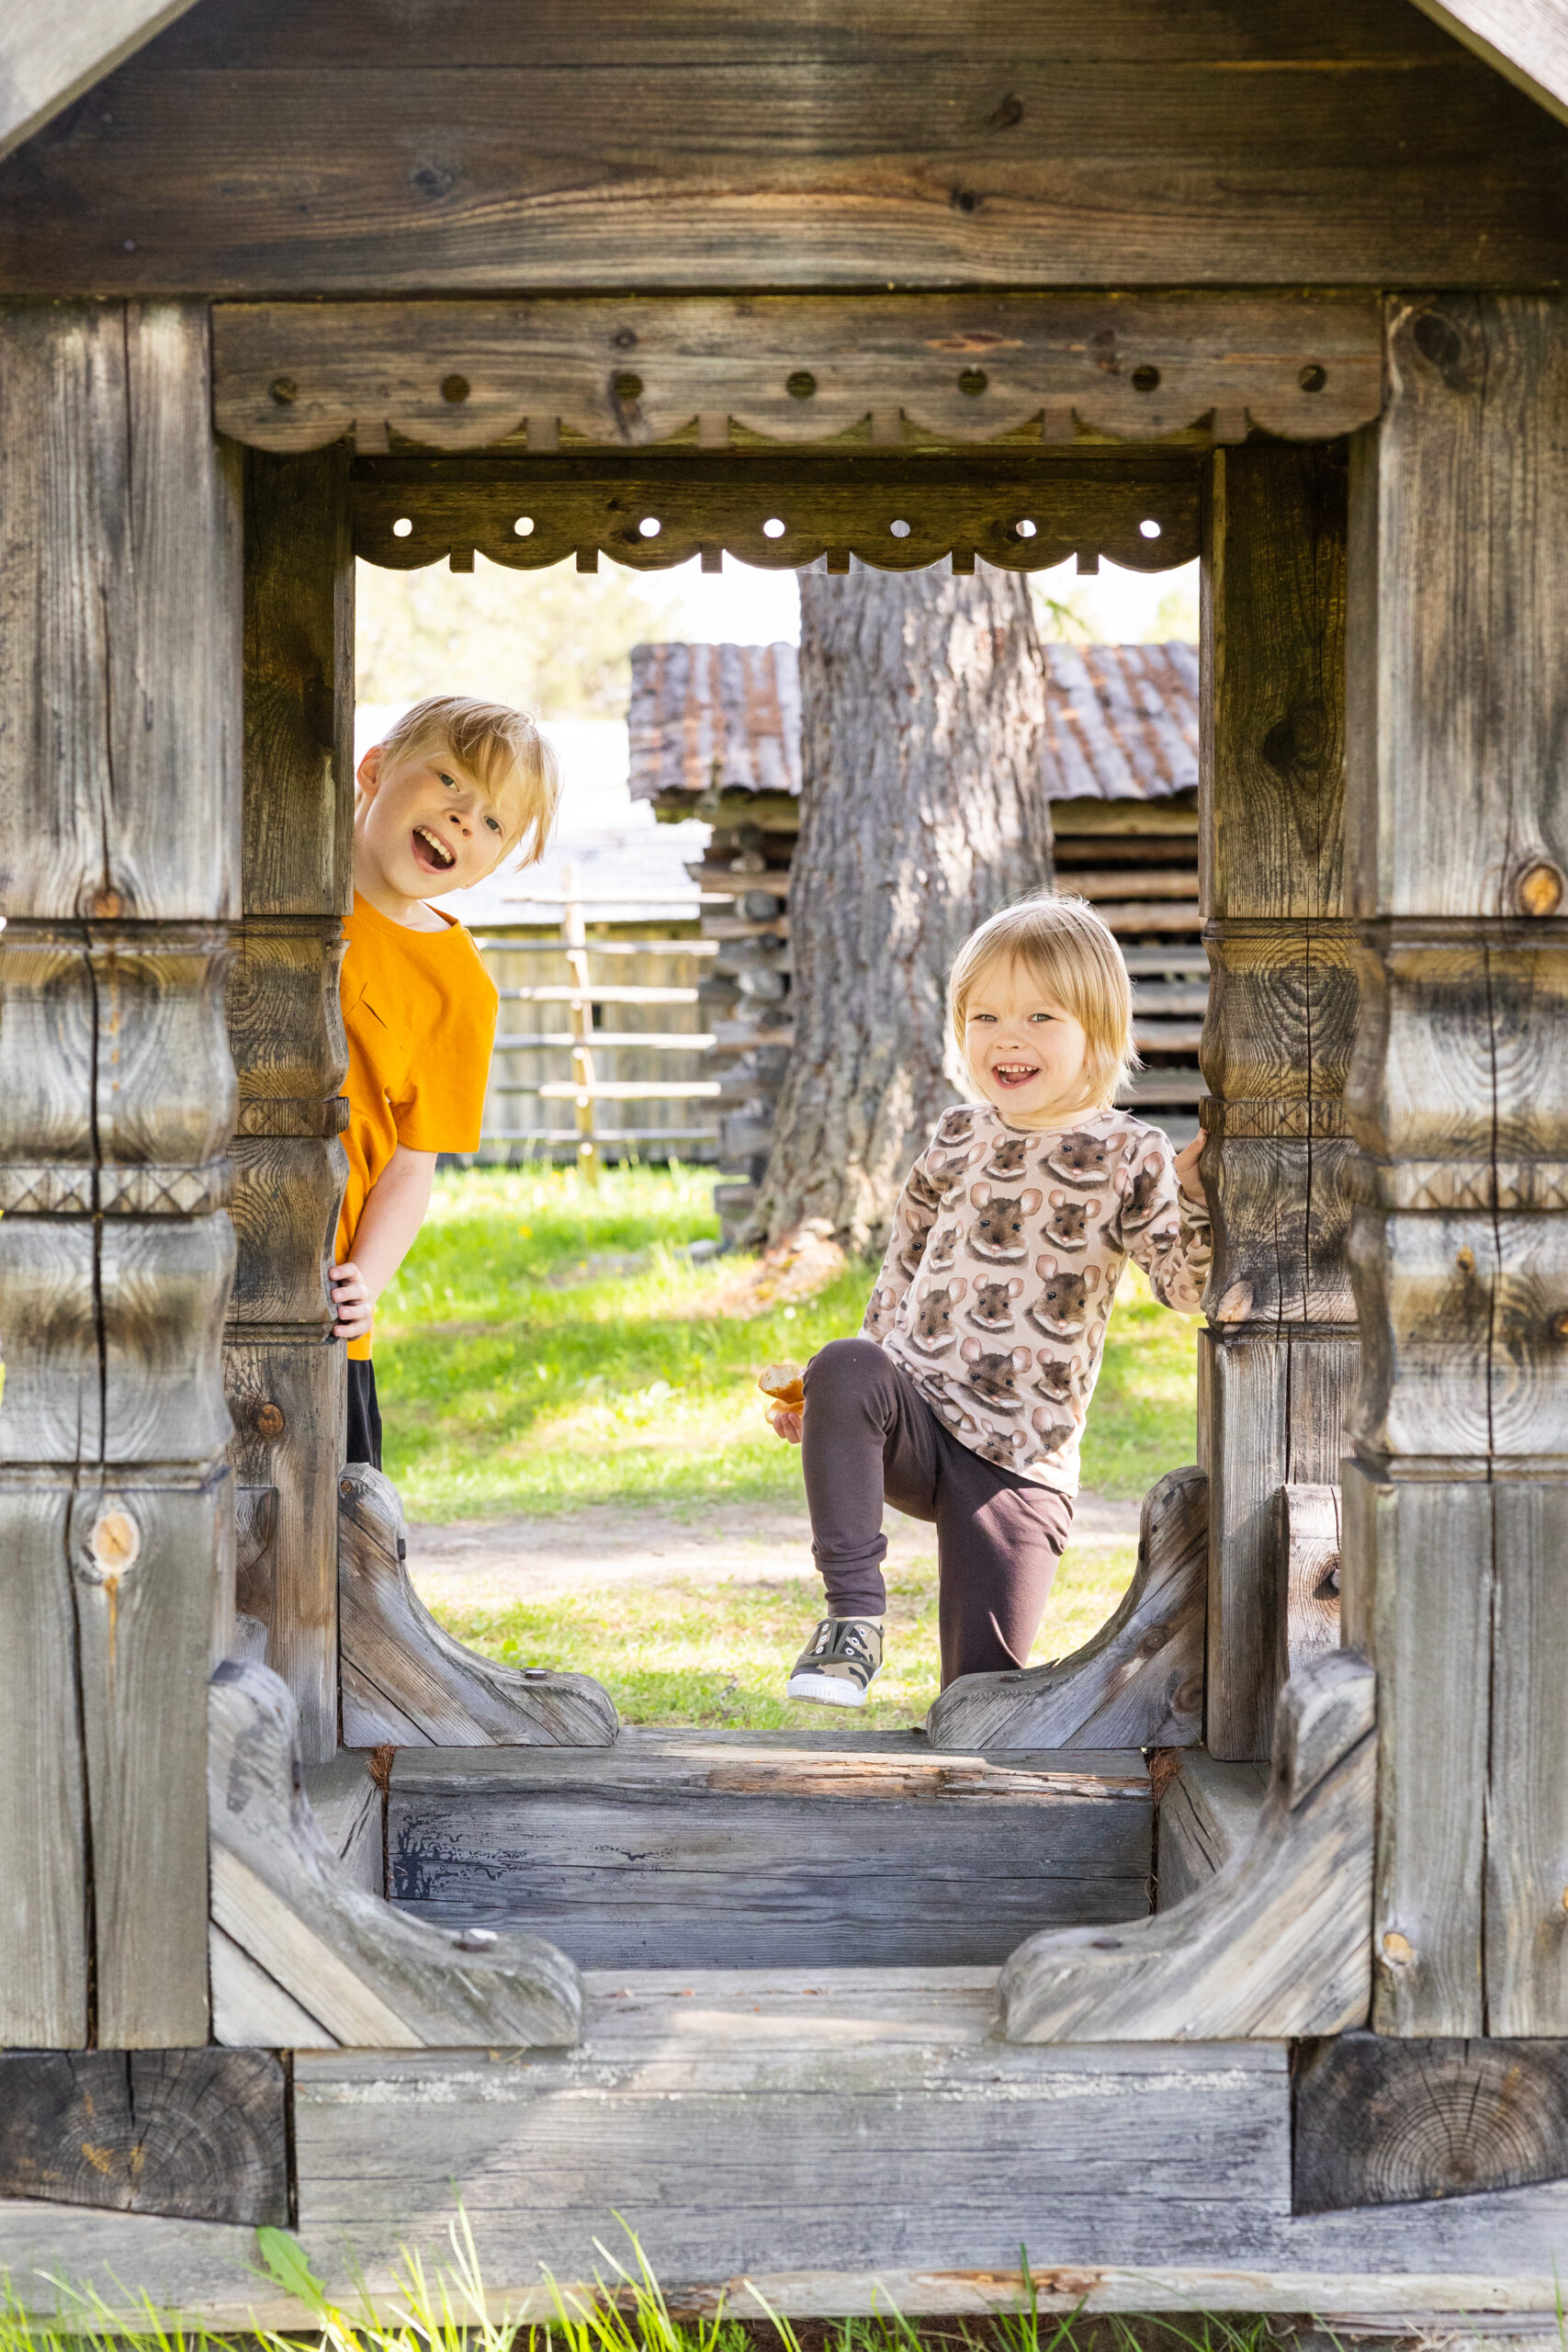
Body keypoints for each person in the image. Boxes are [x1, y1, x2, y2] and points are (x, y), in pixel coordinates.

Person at [769, 892, 1211, 1705]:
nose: (1007, 1037)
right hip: (920, 1424)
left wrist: (1199, 1195)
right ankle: (852, 1622)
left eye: (1041, 1016)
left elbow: (1187, 1288)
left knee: (978, 1702)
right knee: (845, 1362)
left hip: (1019, 1462)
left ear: (1099, 1031)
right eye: (984, 1017)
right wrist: (833, 1400)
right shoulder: (956, 1137)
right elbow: (898, 1276)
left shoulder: (1129, 1153)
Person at [330, 695, 560, 1466]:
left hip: (318, 1305)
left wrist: (365, 1278)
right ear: (373, 770)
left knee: (327, 1547)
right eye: (449, 784)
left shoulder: (460, 989)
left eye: (494, 822)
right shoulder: (263, 891)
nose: (465, 820)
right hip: (187, 1252)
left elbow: (411, 1163)